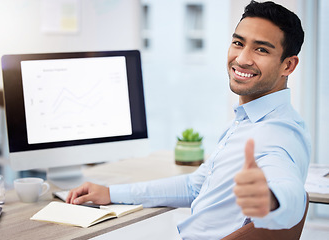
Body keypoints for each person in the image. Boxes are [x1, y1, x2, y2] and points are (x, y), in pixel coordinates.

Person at [66, 1, 311, 239]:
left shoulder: (276, 133)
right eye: (238, 43)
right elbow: (194, 187)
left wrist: (272, 200)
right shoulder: (248, 121)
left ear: (288, 65)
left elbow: (290, 193)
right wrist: (110, 192)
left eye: (261, 49)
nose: (242, 58)